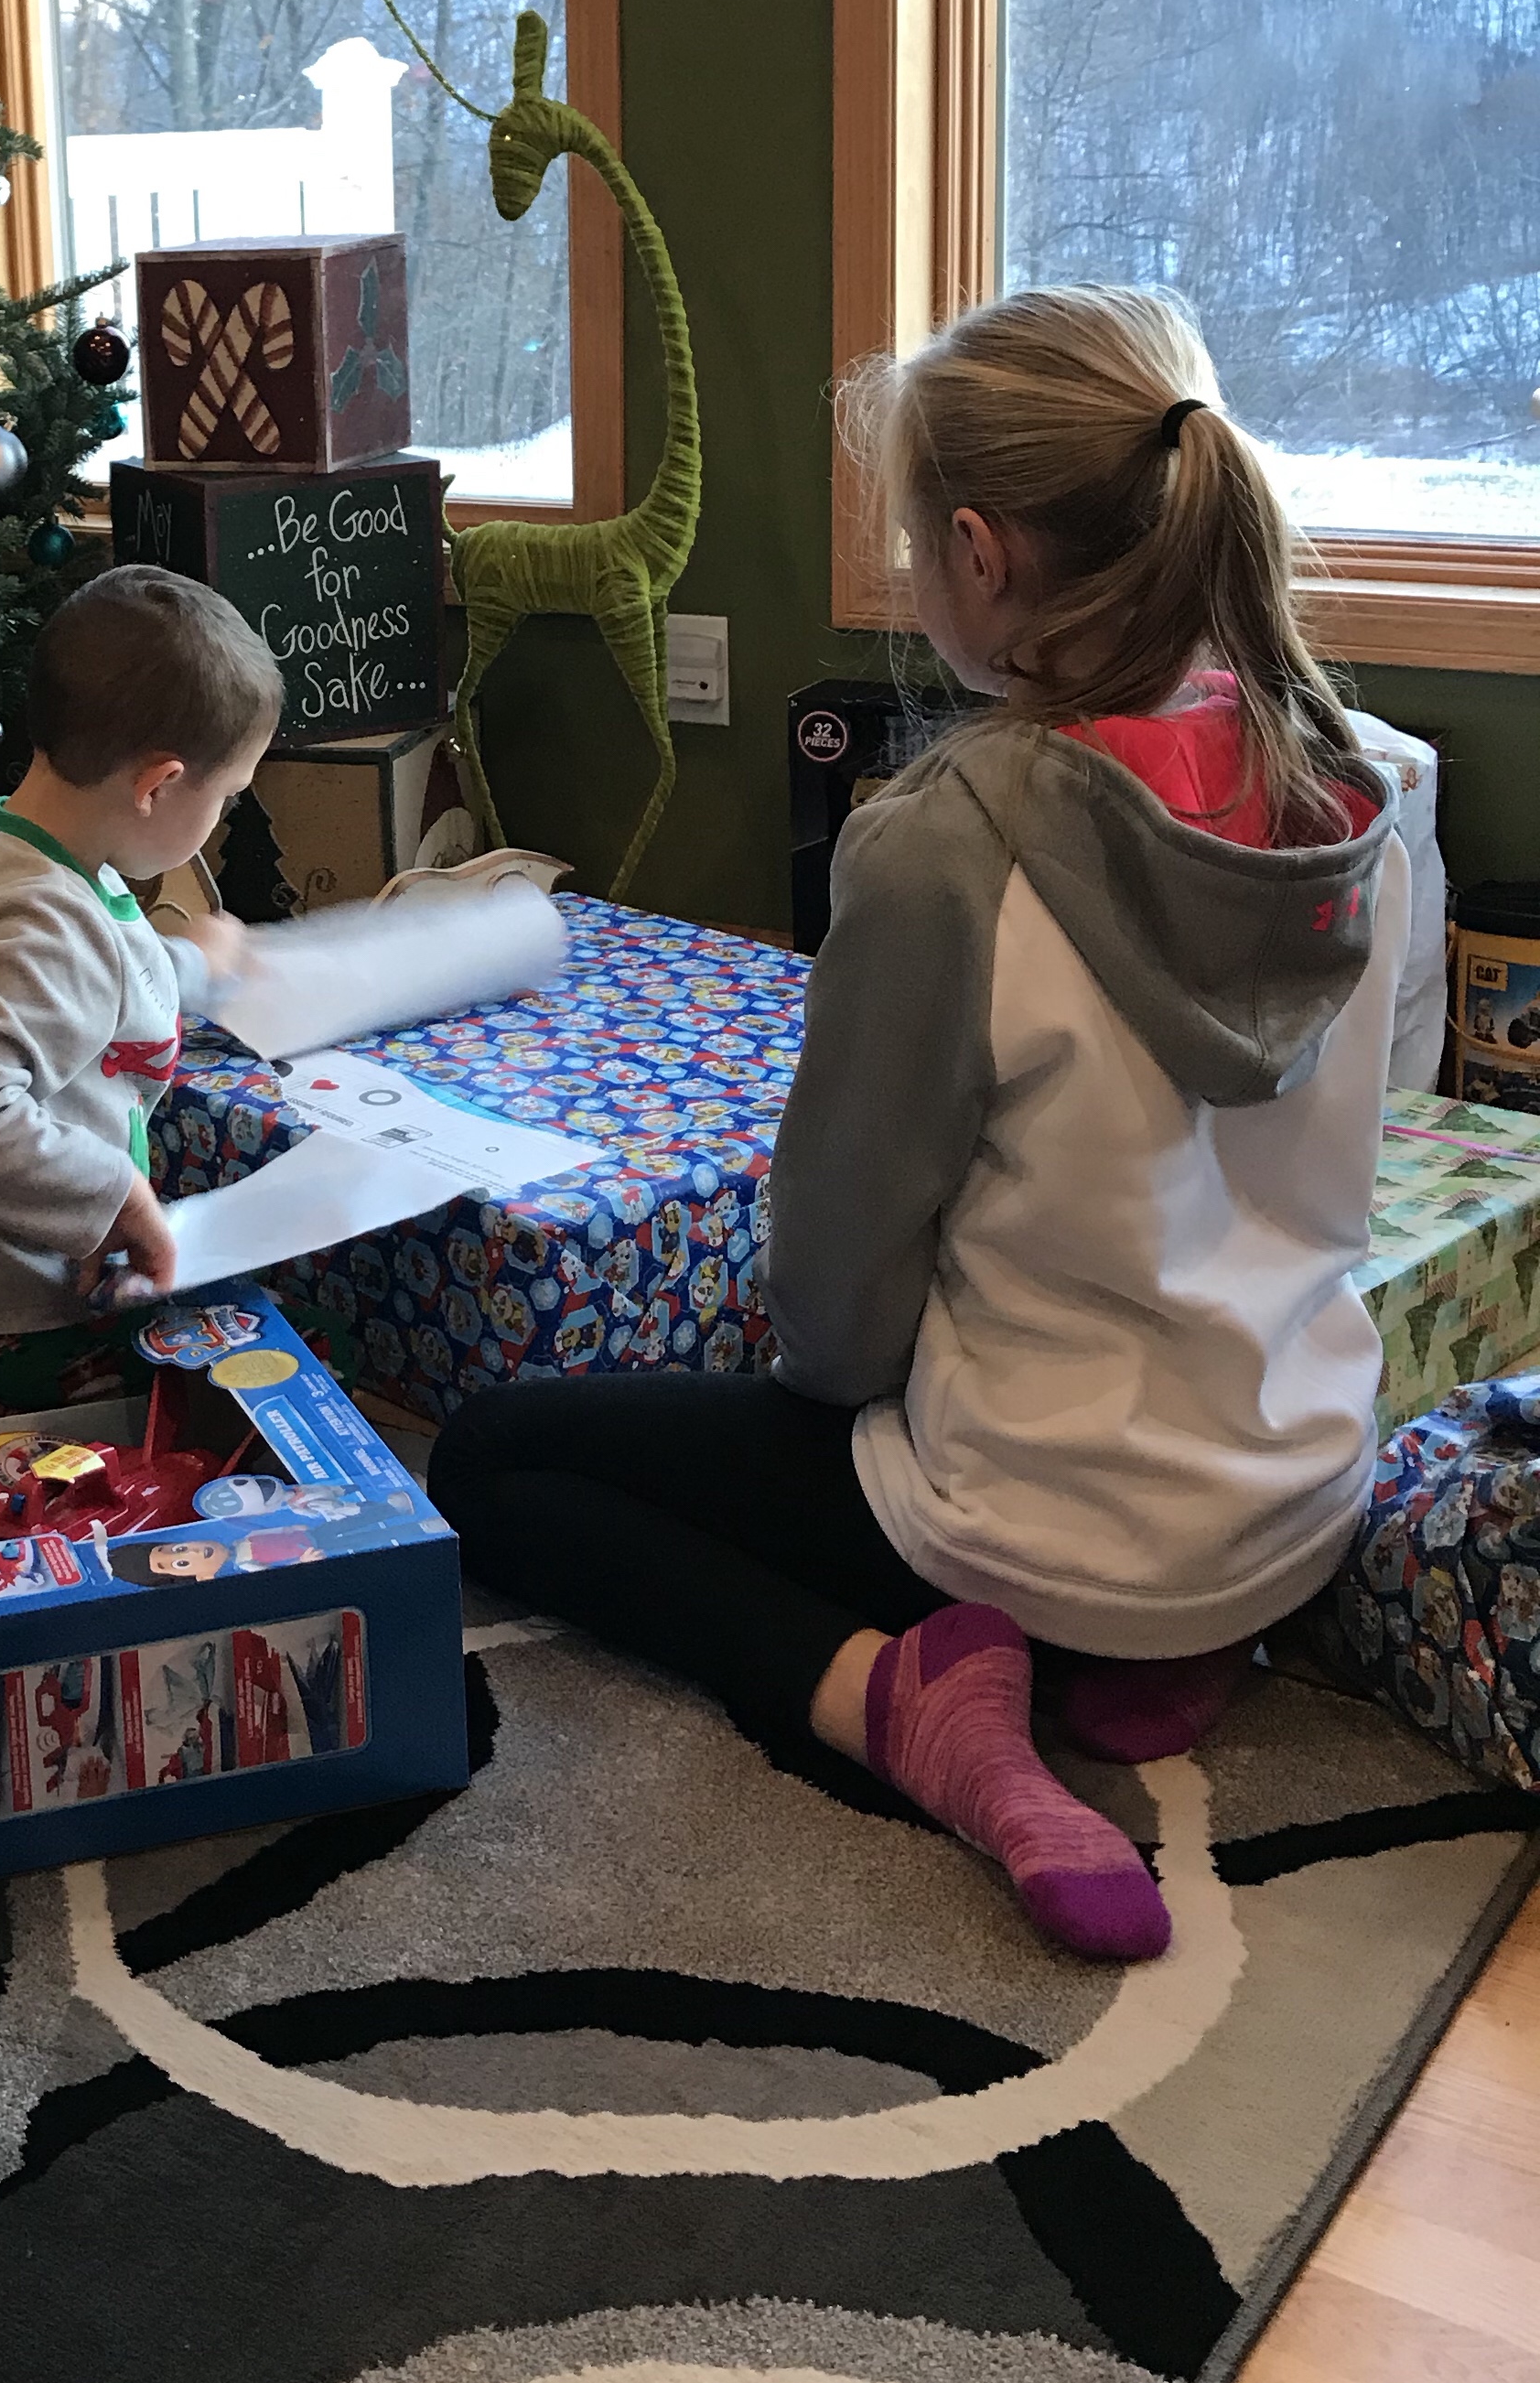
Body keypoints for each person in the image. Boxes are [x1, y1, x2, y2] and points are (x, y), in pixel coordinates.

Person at [430, 287, 1402, 1964]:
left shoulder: (944, 846)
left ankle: (895, 1698)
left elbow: (835, 1310)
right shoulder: (1365, 788)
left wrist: (808, 1378)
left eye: (905, 542)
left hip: (1033, 1521)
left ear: (976, 554)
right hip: (1291, 1500)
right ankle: (1156, 1648)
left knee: (495, 1457)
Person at [0, 562, 281, 1394]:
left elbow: (103, 978)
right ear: (159, 786)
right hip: (7, 1311)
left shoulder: (3, 840)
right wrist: (119, 1198)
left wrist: (193, 963)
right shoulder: (41, 920)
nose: (222, 820)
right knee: (264, 1365)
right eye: (227, 798)